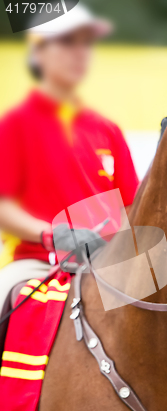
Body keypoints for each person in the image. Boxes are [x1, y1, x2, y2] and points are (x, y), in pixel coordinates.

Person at [0, 4, 139, 312]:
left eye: (86, 43)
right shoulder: (14, 125)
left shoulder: (108, 129)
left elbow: (131, 206)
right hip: (37, 264)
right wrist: (52, 235)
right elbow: (3, 207)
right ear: (39, 53)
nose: (80, 52)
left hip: (108, 268)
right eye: (67, 42)